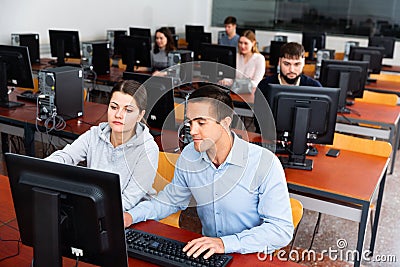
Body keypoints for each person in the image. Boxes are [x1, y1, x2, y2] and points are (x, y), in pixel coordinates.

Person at [124, 85, 293, 259]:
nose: (192, 130)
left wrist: (224, 243)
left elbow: (280, 229)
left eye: (201, 122)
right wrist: (131, 216)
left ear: (226, 123)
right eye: (190, 122)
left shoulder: (264, 163)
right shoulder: (190, 155)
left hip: (249, 255)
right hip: (209, 254)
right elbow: (170, 201)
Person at [46, 80, 159, 212]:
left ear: (140, 115)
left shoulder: (148, 149)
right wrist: (43, 169)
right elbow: (66, 156)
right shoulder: (95, 134)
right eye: (114, 107)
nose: (118, 115)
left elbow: (128, 201)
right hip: (94, 206)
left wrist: (85, 206)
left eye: (128, 110)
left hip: (130, 216)